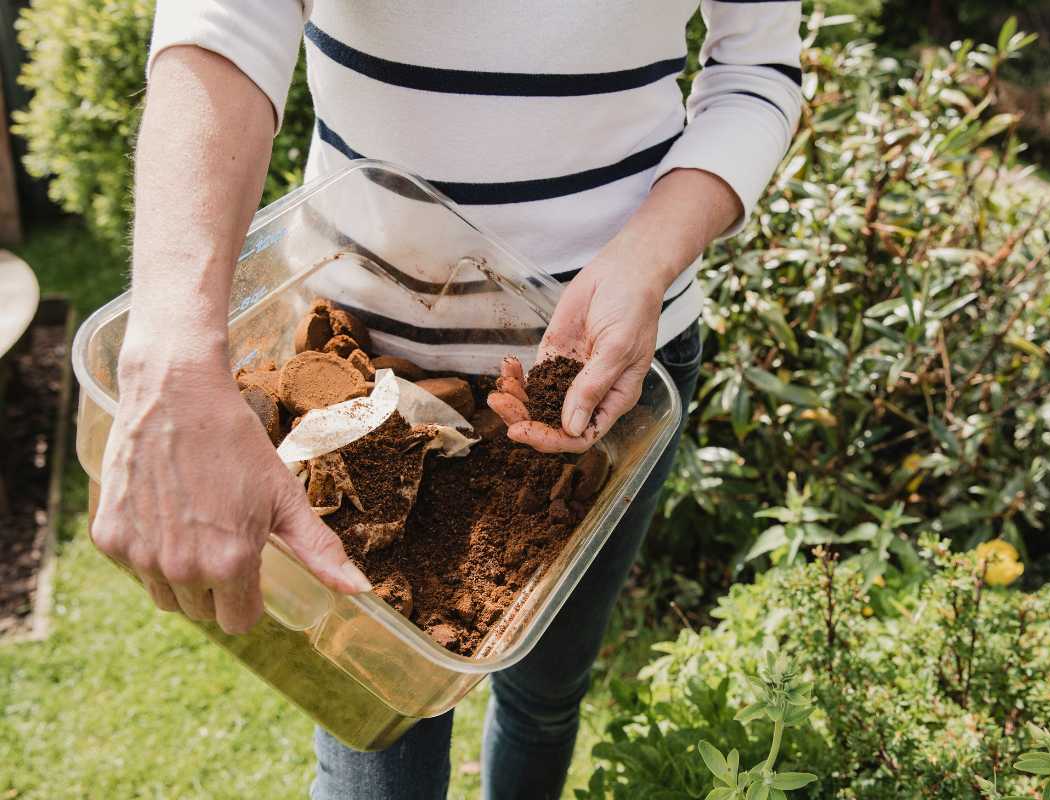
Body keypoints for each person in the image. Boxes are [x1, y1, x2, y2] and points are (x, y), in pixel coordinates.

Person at [90, 2, 804, 797]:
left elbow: (756, 68)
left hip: (605, 378)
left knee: (543, 695)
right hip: (355, 373)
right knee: (375, 749)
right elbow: (224, 22)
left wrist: (646, 257)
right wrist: (173, 366)